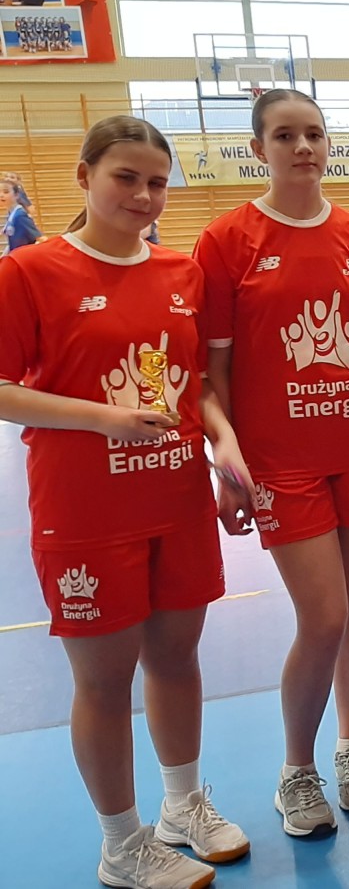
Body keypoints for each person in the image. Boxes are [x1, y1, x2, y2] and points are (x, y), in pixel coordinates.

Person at [0, 115, 251, 889]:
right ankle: (121, 844)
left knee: (176, 659)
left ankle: (183, 806)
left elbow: (194, 386)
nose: (144, 195)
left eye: (157, 183)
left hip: (175, 499)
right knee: (105, 681)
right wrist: (103, 418)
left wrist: (225, 445)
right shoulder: (30, 272)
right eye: (126, 178)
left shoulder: (181, 271)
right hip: (85, 511)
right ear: (84, 177)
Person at [194, 88, 349, 838]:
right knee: (325, 615)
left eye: (313, 133)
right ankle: (296, 769)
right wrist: (227, 464)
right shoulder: (227, 240)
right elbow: (213, 369)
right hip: (282, 462)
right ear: (259, 149)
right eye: (285, 135)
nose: (303, 147)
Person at [2, 178, 41, 255]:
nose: (1, 195)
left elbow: (40, 238)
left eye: (6, 192)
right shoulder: (11, 214)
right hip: (16, 257)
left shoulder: (20, 215)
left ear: (16, 195)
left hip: (25, 258)